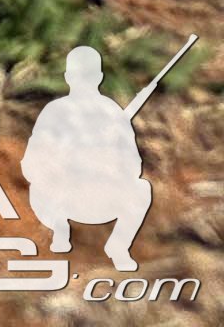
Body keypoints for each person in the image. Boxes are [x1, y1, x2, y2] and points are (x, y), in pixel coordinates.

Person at [21, 44, 151, 270]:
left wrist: (105, 163)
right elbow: (32, 165)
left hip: (101, 197)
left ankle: (118, 246)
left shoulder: (112, 113)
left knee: (141, 189)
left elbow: (133, 166)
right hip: (61, 198)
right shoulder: (55, 112)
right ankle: (60, 230)